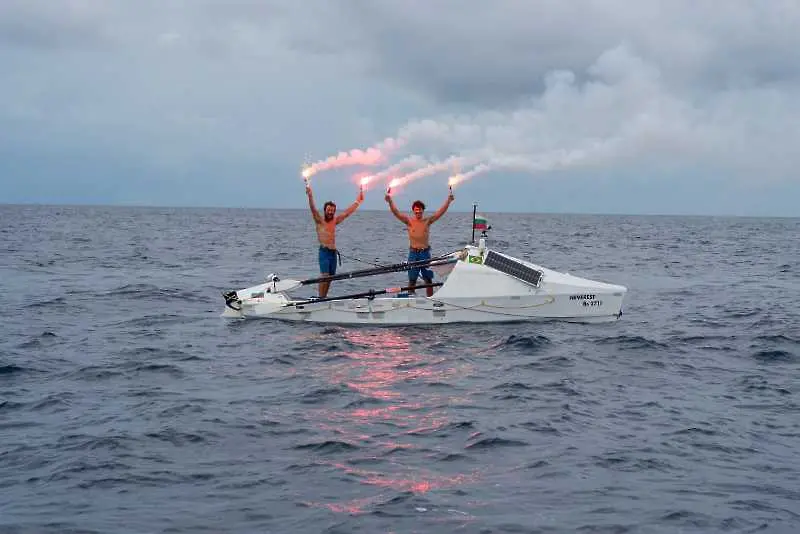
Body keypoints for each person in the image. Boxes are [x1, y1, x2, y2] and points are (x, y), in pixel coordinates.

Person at [385, 189, 455, 296]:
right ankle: (410, 298)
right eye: (416, 210)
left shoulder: (427, 221)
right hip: (413, 253)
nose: (418, 212)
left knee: (428, 280)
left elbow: (440, 212)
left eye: (420, 210)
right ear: (413, 211)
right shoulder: (408, 221)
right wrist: (390, 201)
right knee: (412, 280)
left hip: (425, 253)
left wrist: (448, 201)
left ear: (423, 210)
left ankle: (431, 299)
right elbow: (396, 212)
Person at [306, 183, 364, 298]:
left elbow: (347, 213)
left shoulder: (335, 221)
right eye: (329, 210)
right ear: (325, 210)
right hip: (324, 252)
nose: (331, 212)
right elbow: (313, 209)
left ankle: (324, 297)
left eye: (332, 210)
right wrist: (310, 195)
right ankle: (320, 297)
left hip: (333, 253)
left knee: (331, 277)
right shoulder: (319, 221)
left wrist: (358, 201)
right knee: (325, 276)